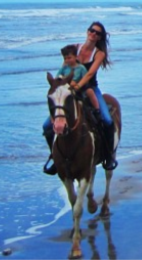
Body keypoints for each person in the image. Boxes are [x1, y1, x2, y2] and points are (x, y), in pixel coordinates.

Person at [43, 22, 118, 175]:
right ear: (87, 31)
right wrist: (60, 84)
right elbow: (64, 68)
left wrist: (77, 86)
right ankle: (55, 157)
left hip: (90, 88)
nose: (93, 34)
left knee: (107, 120)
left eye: (97, 33)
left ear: (100, 37)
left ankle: (108, 156)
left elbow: (89, 74)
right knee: (47, 126)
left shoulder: (99, 54)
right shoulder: (74, 48)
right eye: (92, 30)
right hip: (69, 89)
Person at [57, 44, 100, 112]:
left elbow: (86, 79)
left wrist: (78, 84)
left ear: (76, 57)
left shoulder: (81, 68)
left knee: (90, 91)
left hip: (81, 88)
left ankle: (97, 109)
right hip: (67, 88)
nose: (67, 60)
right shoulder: (64, 68)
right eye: (65, 58)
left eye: (69, 58)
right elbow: (57, 77)